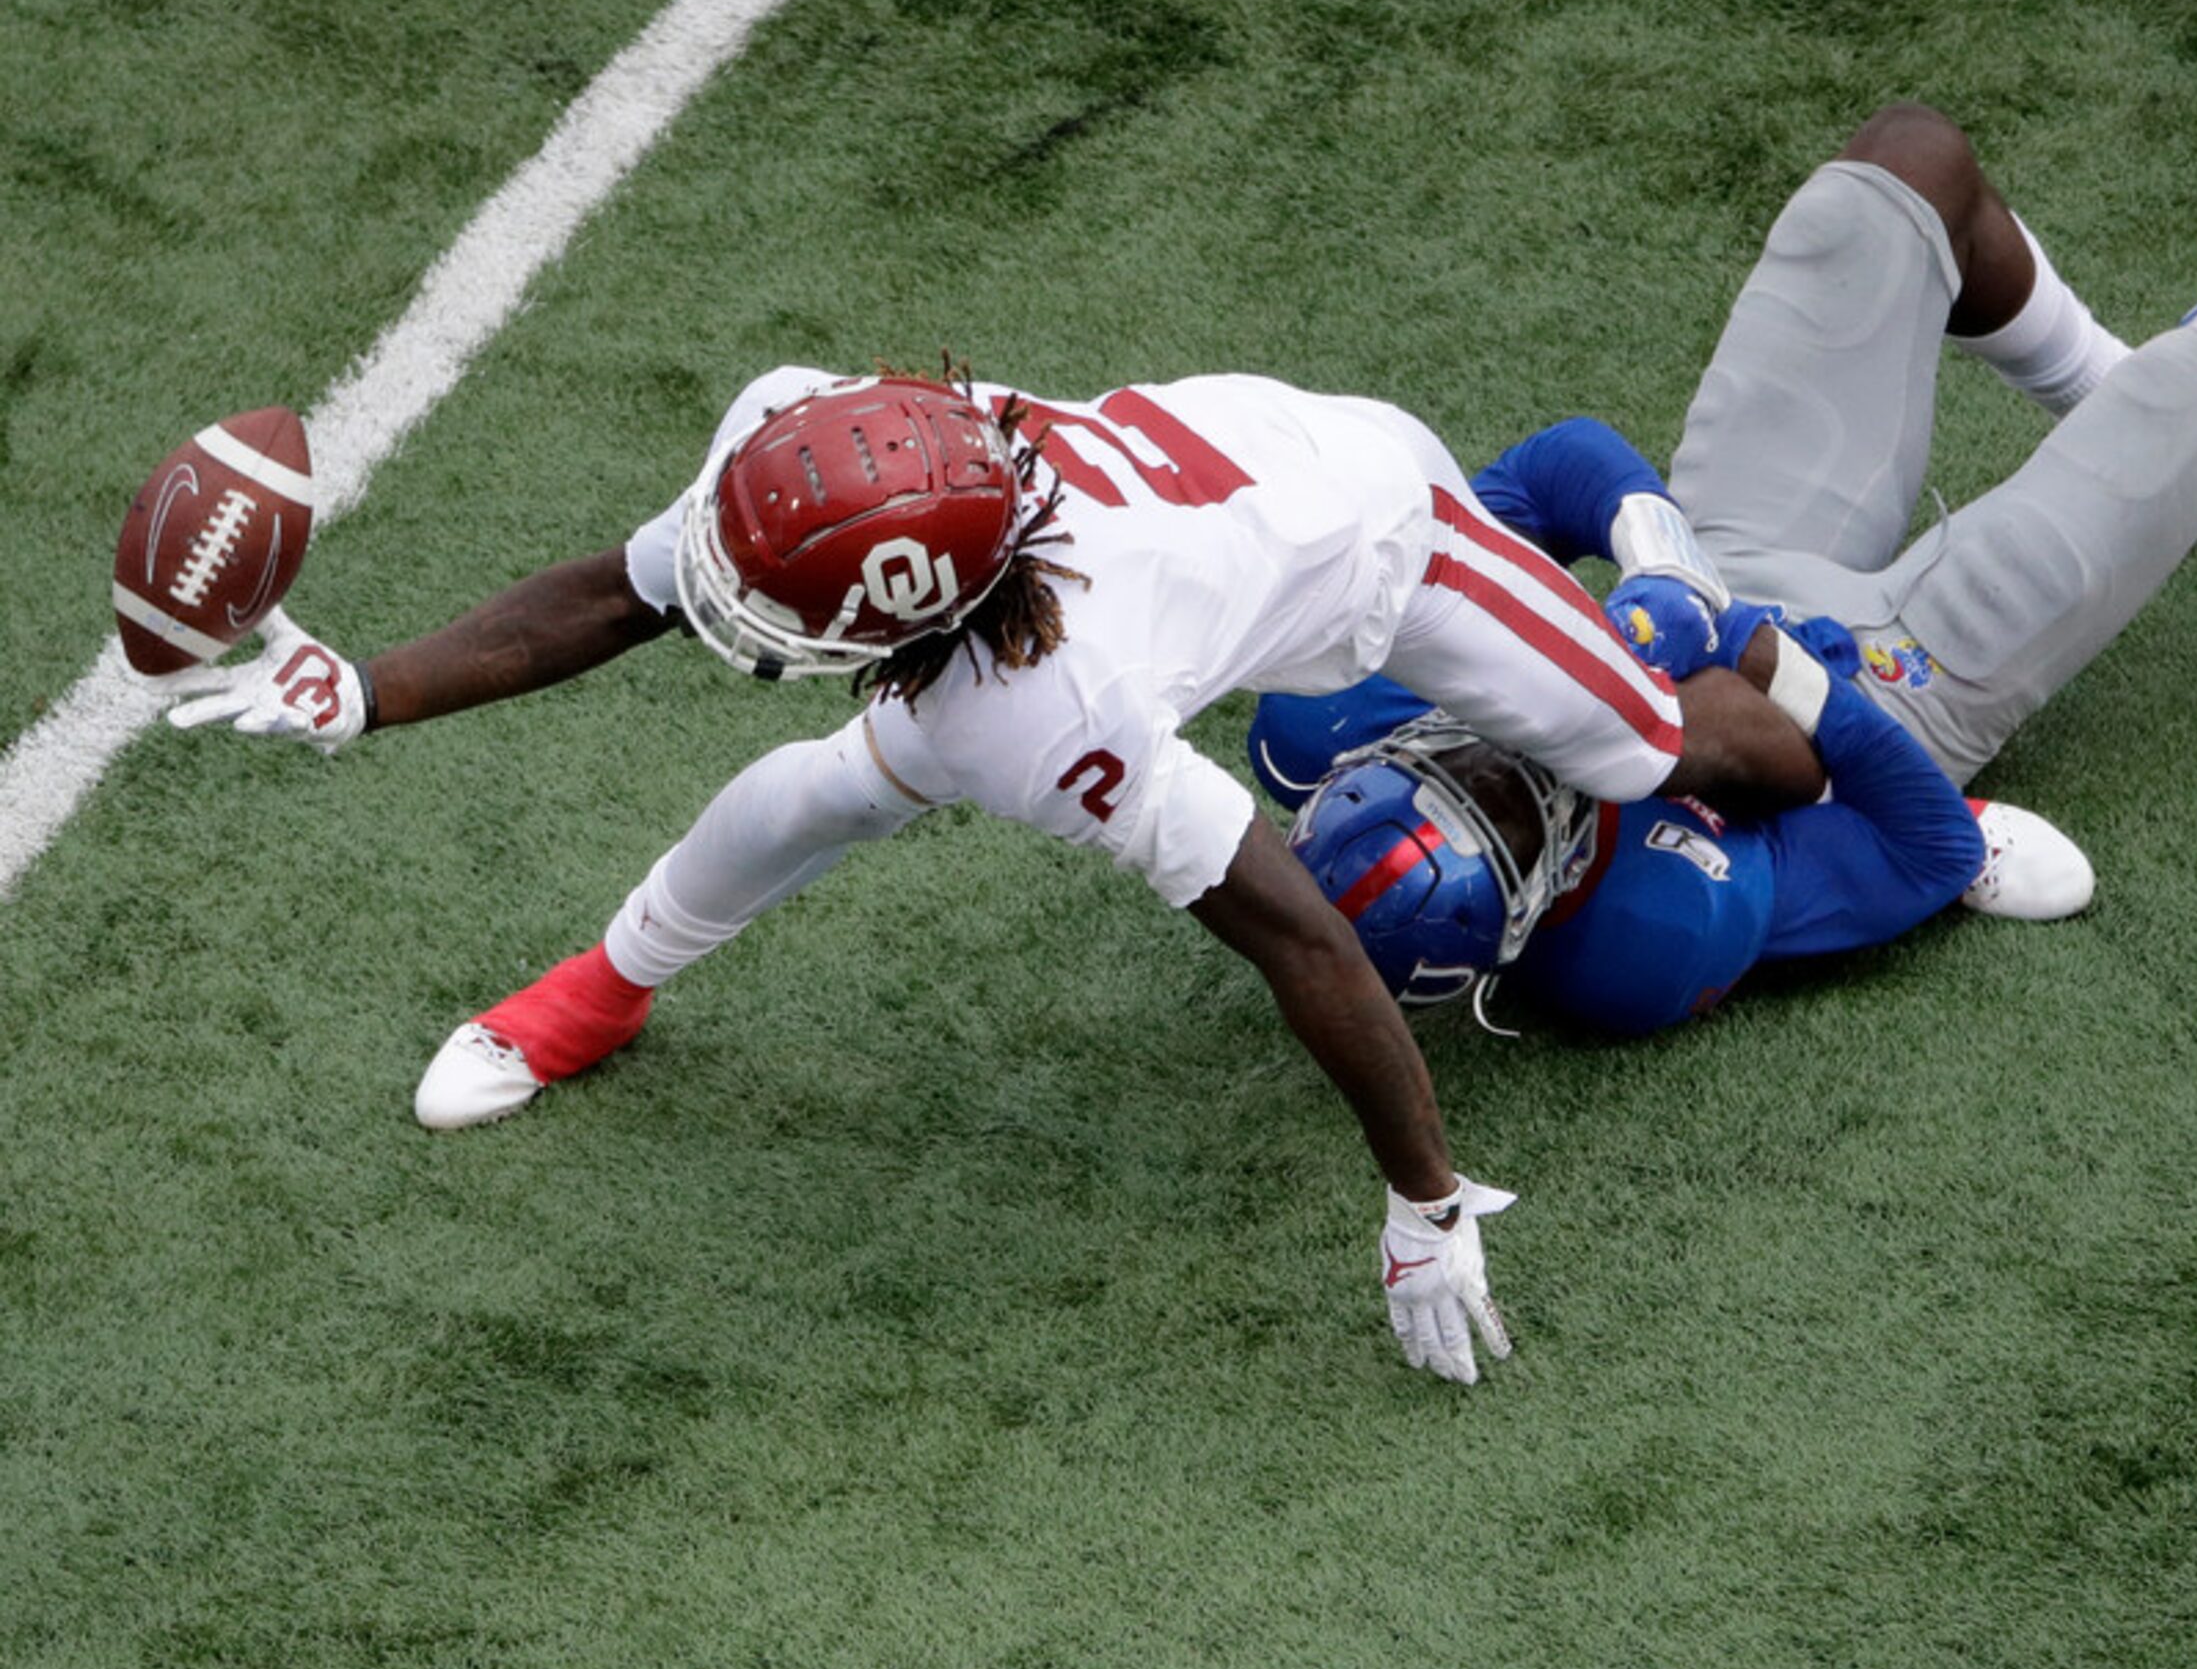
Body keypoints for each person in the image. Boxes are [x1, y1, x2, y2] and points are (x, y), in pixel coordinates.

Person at [156, 362, 1830, 1385]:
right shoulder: (814, 439)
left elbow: (1298, 936)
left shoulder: (1052, 709)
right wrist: (368, 690)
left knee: (1663, 745)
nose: (742, 609)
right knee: (829, 788)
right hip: (1213, 487)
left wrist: (1423, 1200)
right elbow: (618, 589)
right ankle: (592, 997)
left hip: (1382, 537)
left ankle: (1804, 684)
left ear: (924, 619)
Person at [1252, 100, 2197, 1033]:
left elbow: (1546, 467)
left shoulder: (1328, 718)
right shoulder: (1645, 934)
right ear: (1525, 917)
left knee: (1907, 170)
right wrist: (1776, 679)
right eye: (1525, 821)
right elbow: (1927, 850)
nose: (1525, 770)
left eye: (1477, 762)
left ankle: (2106, 396)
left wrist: (1654, 548)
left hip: (1731, 542)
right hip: (1896, 674)